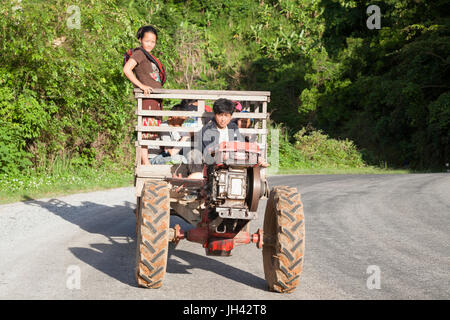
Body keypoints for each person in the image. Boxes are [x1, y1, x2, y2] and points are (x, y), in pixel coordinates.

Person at [123, 25, 166, 165]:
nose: (150, 44)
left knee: (151, 130)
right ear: (140, 39)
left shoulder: (149, 56)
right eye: (147, 41)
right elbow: (127, 69)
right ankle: (145, 163)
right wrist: (141, 86)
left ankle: (147, 161)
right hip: (147, 99)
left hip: (154, 99)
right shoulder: (139, 53)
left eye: (153, 42)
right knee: (146, 131)